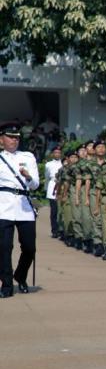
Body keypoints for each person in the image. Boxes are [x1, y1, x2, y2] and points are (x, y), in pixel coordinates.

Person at [0, 121, 39, 297]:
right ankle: (6, 285)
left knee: (30, 247)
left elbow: (35, 184)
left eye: (16, 138)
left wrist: (28, 176)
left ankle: (20, 276)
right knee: (4, 247)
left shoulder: (28, 157)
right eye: (10, 137)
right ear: (1, 139)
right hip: (3, 206)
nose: (14, 141)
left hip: (24, 206)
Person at [44, 145, 63, 238]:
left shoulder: (63, 164)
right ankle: (54, 230)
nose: (57, 154)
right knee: (54, 211)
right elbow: (47, 177)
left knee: (61, 210)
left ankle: (61, 230)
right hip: (52, 186)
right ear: (52, 154)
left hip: (62, 187)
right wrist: (46, 188)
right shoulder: (48, 164)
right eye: (55, 152)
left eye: (59, 152)